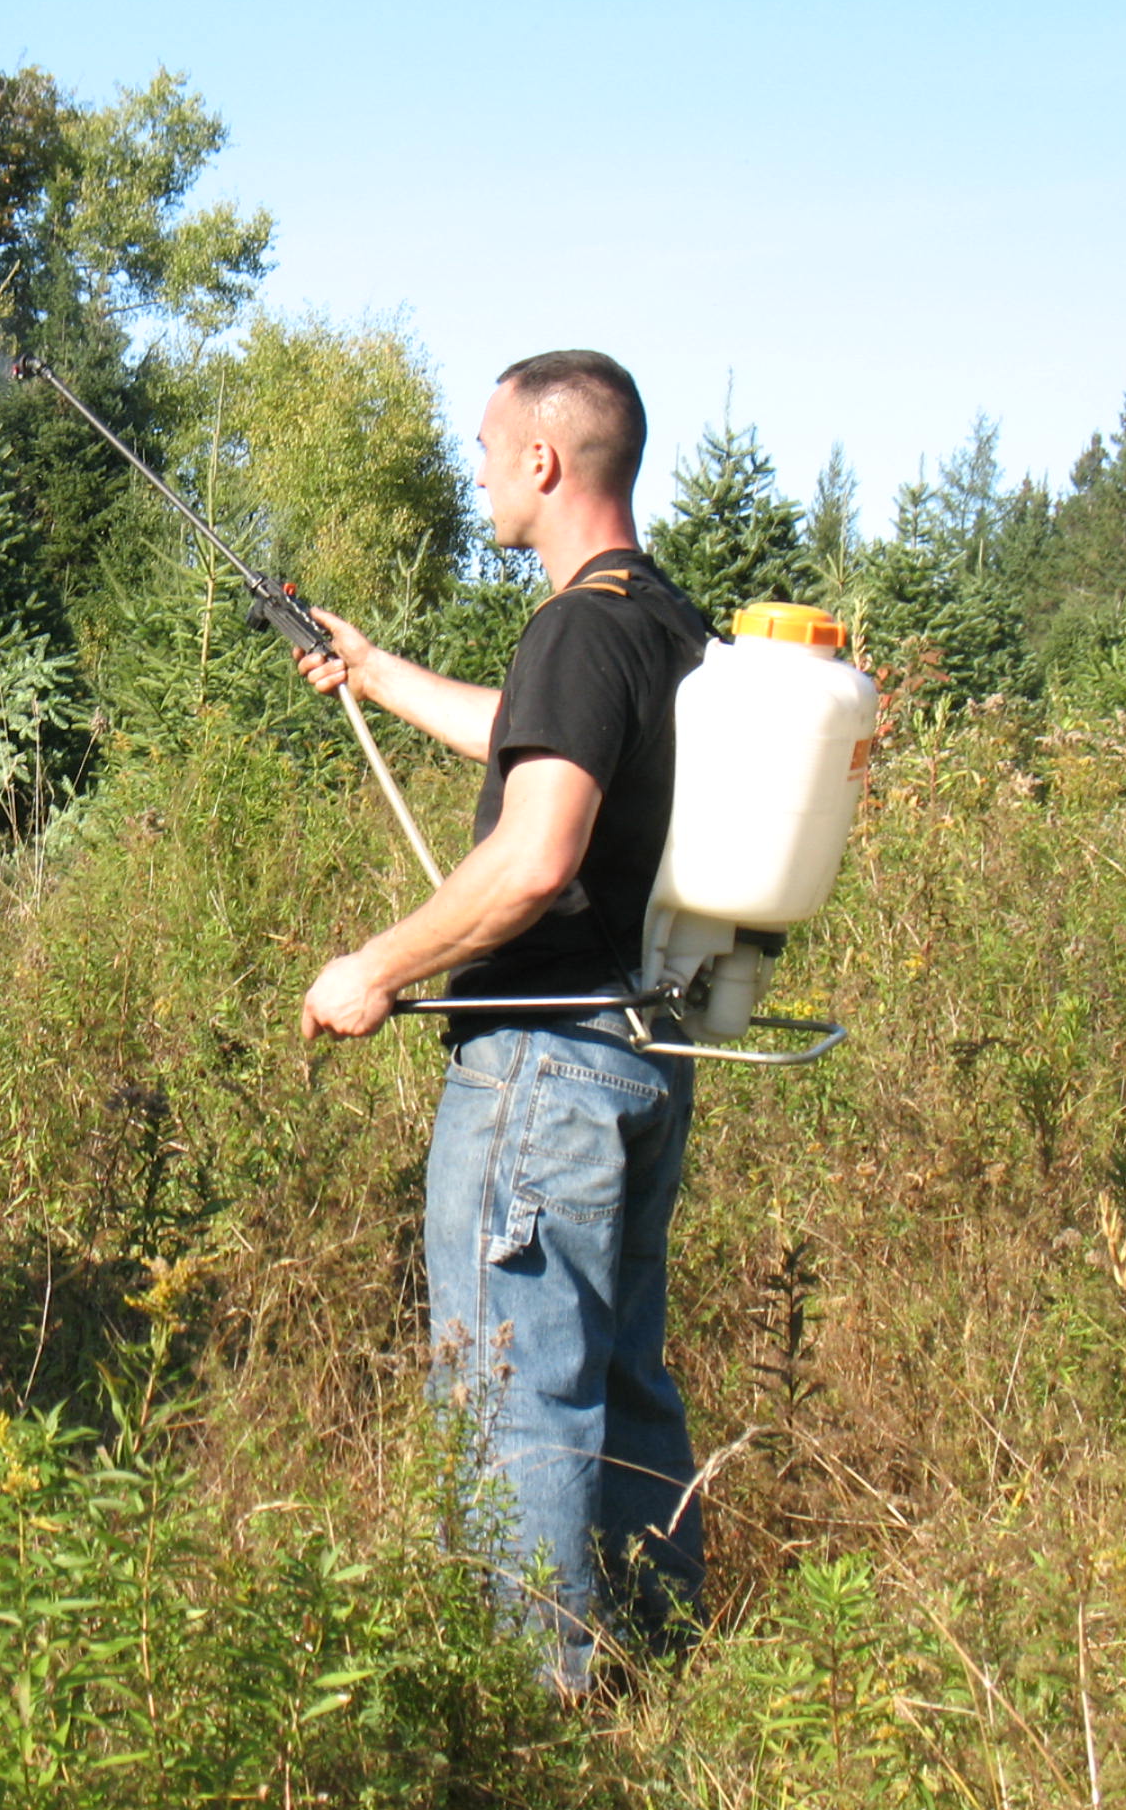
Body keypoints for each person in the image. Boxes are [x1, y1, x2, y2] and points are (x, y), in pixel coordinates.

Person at [296, 349, 713, 1695]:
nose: (476, 465)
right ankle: (652, 1675)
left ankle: (533, 1717)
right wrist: (376, 672)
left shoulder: (577, 628)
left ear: (544, 460)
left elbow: (536, 857)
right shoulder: (657, 624)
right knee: (624, 1387)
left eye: (485, 444)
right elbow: (536, 740)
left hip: (543, 1073)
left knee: (515, 1403)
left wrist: (375, 966)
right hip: (640, 1061)